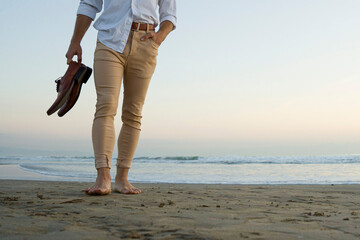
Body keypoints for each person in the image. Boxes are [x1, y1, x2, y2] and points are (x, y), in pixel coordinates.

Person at [65, 0, 177, 195]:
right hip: (109, 40)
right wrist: (75, 42)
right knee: (106, 104)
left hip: (146, 42)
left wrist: (160, 36)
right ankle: (103, 177)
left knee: (133, 112)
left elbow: (170, 15)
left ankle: (122, 179)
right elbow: (89, 4)